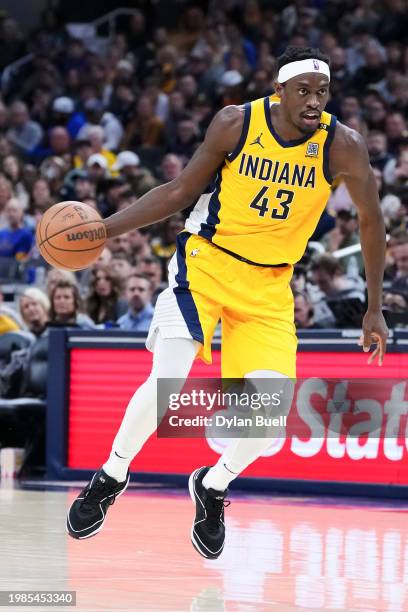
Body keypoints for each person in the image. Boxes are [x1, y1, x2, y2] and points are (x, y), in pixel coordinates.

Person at [67, 47, 388, 559]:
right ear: (278, 91)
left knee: (266, 420)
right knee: (167, 381)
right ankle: (112, 474)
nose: (313, 101)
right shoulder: (236, 123)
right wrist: (105, 229)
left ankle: (212, 486)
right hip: (207, 263)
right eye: (302, 90)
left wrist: (374, 306)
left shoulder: (342, 145)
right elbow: (179, 191)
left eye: (321, 92)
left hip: (269, 289)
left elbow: (372, 221)